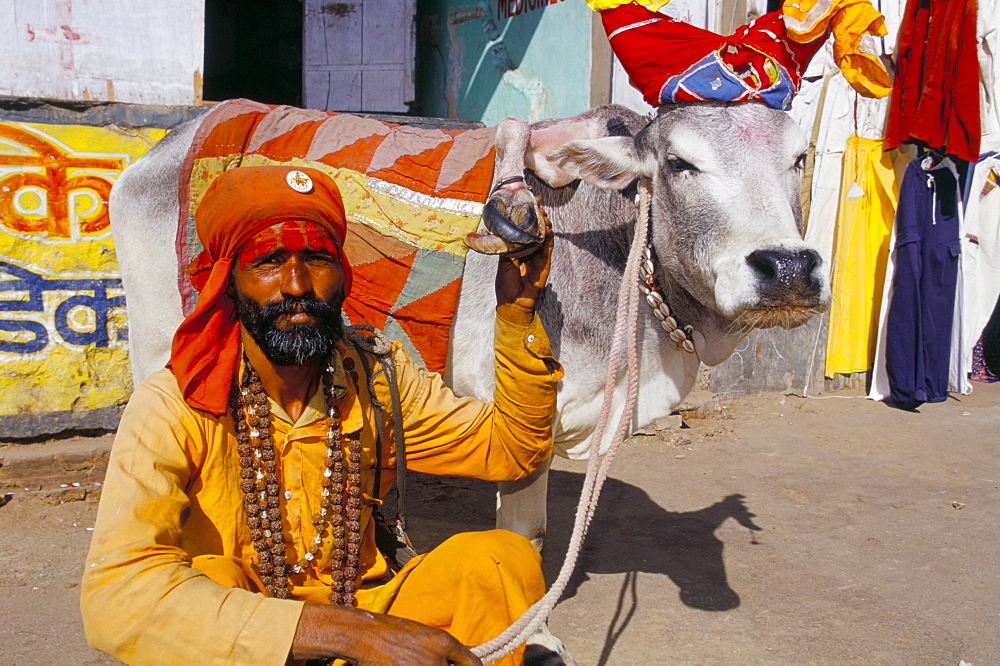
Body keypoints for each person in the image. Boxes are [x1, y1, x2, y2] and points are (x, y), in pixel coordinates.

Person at [80, 165, 562, 665]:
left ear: (342, 274)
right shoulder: (176, 404)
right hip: (250, 643)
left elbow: (511, 450)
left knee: (497, 561)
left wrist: (517, 313)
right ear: (229, 284)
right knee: (213, 576)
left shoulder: (375, 378)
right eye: (268, 261)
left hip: (367, 611)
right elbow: (115, 594)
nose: (296, 284)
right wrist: (343, 634)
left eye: (316, 258)